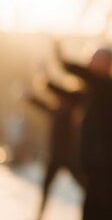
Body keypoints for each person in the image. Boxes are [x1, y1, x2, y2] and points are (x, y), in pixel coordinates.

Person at [56, 44, 112, 220]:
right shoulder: (92, 92)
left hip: (109, 169)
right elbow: (69, 95)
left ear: (108, 63)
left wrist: (65, 62)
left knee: (111, 211)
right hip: (96, 169)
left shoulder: (110, 86)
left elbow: (87, 75)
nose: (90, 63)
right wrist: (45, 83)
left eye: (95, 59)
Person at [25, 81, 84, 219]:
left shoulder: (70, 110)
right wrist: (30, 98)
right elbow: (42, 106)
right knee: (46, 186)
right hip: (58, 156)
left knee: (83, 185)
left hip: (67, 156)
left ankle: (94, 209)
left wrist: (46, 83)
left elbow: (46, 104)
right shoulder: (58, 110)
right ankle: (40, 215)